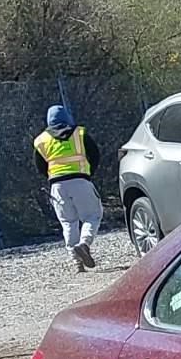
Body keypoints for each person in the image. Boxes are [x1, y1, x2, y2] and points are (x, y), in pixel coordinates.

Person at [35, 105, 103, 271]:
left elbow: (40, 166)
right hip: (80, 181)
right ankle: (84, 243)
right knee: (92, 216)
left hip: (57, 186)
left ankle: (76, 261)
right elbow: (95, 154)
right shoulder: (80, 133)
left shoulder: (41, 140)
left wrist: (53, 177)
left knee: (68, 222)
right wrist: (88, 173)